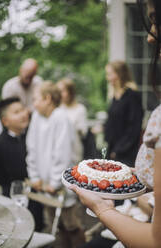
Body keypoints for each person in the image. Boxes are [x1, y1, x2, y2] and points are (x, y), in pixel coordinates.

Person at [71, 1, 161, 247]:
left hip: (125, 147)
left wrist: (102, 209)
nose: (150, 37)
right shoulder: (114, 95)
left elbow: (155, 241)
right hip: (114, 149)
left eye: (155, 20)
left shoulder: (133, 96)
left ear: (119, 73)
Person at [26, 81, 85, 248]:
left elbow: (63, 154)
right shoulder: (37, 117)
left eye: (36, 99)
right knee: (54, 224)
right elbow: (31, 148)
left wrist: (54, 182)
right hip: (43, 184)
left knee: (70, 223)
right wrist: (35, 176)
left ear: (48, 98)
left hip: (60, 184)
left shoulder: (61, 118)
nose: (33, 103)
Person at [0, 97, 44, 231]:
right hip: (13, 198)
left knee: (38, 227)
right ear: (5, 121)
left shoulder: (33, 135)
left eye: (23, 109)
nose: (24, 114)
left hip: (36, 195)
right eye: (17, 112)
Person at [104, 61, 144, 167]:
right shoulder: (115, 97)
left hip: (126, 154)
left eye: (109, 74)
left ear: (119, 74)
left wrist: (119, 150)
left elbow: (134, 128)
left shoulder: (132, 96)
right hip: (112, 151)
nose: (107, 78)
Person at [57, 78, 89, 162]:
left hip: (74, 153)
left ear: (70, 92)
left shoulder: (80, 109)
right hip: (58, 153)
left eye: (63, 91)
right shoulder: (57, 109)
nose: (60, 94)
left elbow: (83, 132)